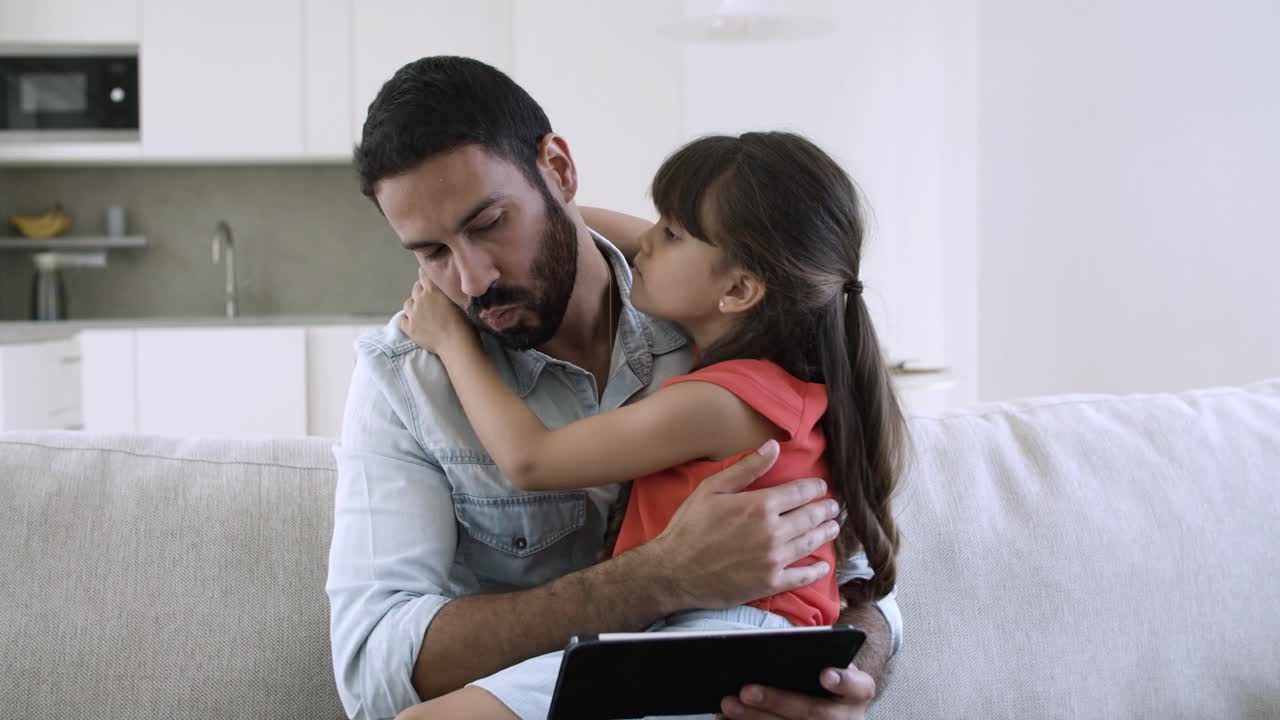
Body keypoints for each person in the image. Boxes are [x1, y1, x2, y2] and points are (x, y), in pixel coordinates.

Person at [326, 55, 903, 720]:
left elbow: (866, 571)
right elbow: (372, 672)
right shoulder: (407, 376)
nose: (474, 278)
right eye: (432, 253)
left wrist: (842, 673)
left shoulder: (720, 319)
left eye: (489, 223)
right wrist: (658, 577)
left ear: (560, 170)